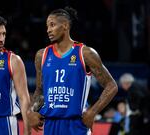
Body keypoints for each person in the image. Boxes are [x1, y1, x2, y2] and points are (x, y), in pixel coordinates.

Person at [29, 7, 118, 135]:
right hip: (50, 125)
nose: (48, 30)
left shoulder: (85, 53)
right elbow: (40, 90)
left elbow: (111, 85)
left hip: (76, 125)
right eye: (47, 26)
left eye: (52, 25)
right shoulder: (41, 55)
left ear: (65, 25)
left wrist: (93, 112)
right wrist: (32, 111)